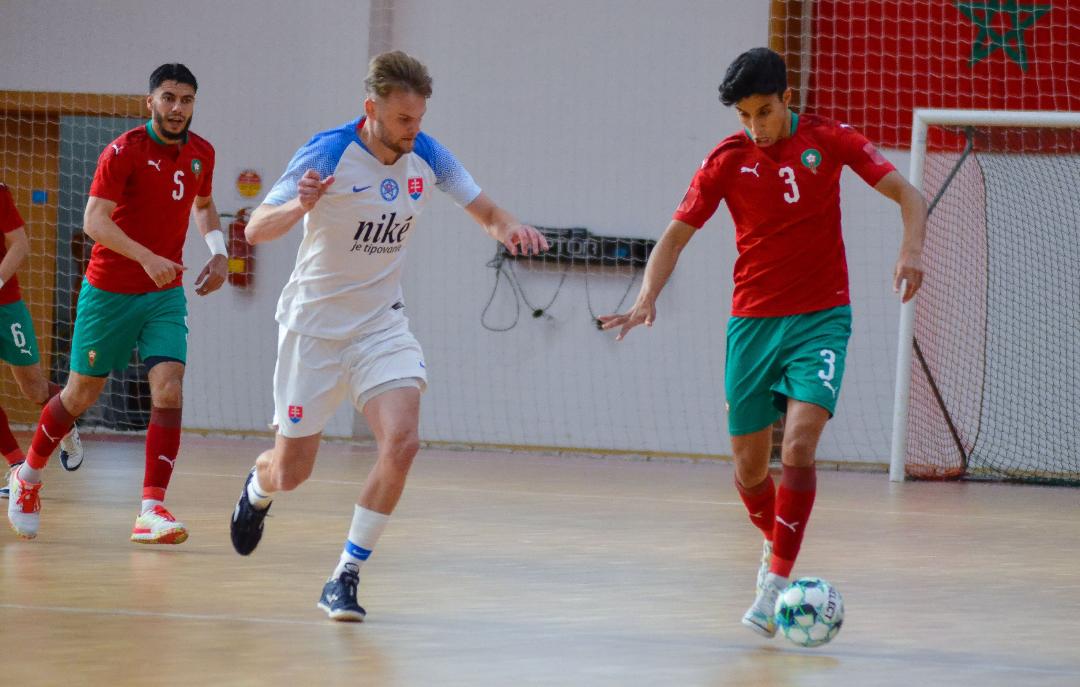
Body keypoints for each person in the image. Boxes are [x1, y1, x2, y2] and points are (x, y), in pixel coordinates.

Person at [600, 47, 927, 638]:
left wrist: (910, 251)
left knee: (798, 445)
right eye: (745, 115)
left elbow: (911, 195)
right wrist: (646, 296)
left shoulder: (830, 140)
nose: (756, 126)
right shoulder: (725, 162)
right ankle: (776, 545)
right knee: (751, 472)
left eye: (765, 112)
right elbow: (673, 238)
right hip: (751, 324)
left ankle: (775, 582)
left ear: (788, 98)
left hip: (821, 318)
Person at [229, 50, 548, 621]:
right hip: (314, 330)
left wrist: (512, 228)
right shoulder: (328, 153)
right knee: (293, 472)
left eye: (419, 118)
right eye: (403, 119)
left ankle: (344, 575)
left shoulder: (426, 153)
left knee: (402, 441)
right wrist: (299, 206)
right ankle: (259, 486)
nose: (413, 130)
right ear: (371, 108)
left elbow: (486, 211)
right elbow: (254, 228)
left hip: (380, 324)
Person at [6, 63, 227, 542]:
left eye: (186, 100)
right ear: (150, 101)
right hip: (109, 291)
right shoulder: (123, 151)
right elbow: (94, 221)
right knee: (79, 396)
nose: (177, 108)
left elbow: (204, 205)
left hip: (164, 294)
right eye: (168, 98)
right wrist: (148, 257)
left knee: (168, 387)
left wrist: (219, 253)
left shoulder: (201, 153)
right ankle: (27, 477)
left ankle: (151, 509)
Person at [0, 183, 83, 501]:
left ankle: (67, 423)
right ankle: (19, 467)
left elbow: (20, 246)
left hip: (7, 308)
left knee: (34, 389)